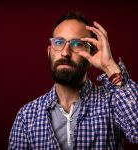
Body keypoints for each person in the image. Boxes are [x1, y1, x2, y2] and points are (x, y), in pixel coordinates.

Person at [8, 11, 138, 150]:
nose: (65, 52)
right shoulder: (27, 116)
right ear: (49, 52)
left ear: (91, 55)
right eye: (58, 42)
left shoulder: (112, 102)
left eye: (77, 44)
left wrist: (109, 66)